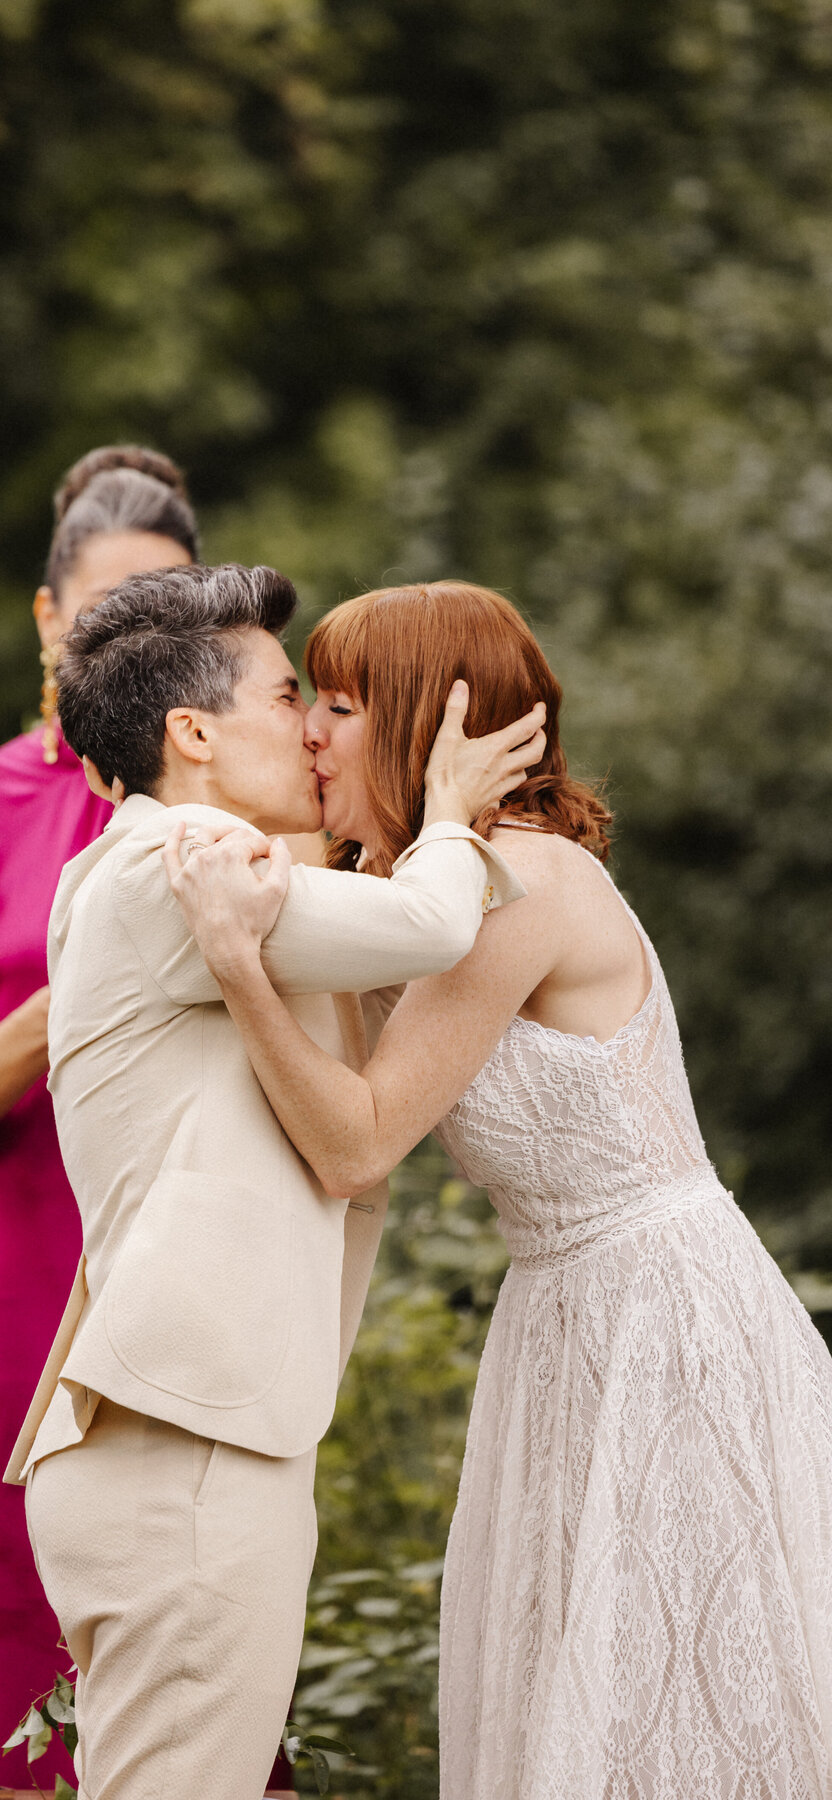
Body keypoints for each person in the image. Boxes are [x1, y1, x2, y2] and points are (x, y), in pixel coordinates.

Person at [166, 580, 832, 1800]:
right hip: (561, 1314)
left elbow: (359, 1144)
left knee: (663, 1699)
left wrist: (237, 970)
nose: (311, 729)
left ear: (428, 721)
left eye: (345, 704)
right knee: (563, 1684)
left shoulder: (521, 880)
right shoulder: (416, 886)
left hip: (661, 1318)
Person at [2, 562, 546, 1800]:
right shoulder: (181, 862)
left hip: (175, 1443)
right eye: (286, 694)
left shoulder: (145, 867)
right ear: (191, 733)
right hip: (183, 1451)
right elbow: (431, 927)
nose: (310, 727)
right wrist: (454, 809)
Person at [0, 445, 200, 1786]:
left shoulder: (222, 815)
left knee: (195, 1662)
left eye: (172, 617)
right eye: (110, 608)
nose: (137, 641)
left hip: (190, 1291)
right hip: (15, 1301)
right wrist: (81, 986)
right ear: (46, 617)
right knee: (14, 1691)